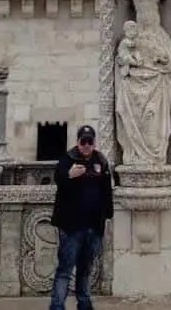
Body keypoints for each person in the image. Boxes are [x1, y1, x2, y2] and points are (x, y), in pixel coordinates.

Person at [49, 125, 113, 310]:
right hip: (71, 227)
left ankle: (84, 304)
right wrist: (69, 176)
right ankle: (57, 306)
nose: (86, 145)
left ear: (94, 143)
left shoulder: (100, 161)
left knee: (85, 270)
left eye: (89, 142)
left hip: (93, 227)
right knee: (65, 270)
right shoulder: (68, 160)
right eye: (83, 141)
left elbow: (106, 192)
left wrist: (106, 218)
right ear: (77, 142)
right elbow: (58, 179)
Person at [115, 0, 171, 165]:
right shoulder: (130, 38)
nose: (146, 16)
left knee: (152, 122)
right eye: (142, 12)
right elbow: (121, 58)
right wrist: (128, 62)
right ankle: (133, 154)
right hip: (132, 85)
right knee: (131, 119)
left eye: (150, 11)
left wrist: (162, 58)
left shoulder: (162, 36)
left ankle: (154, 157)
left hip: (157, 85)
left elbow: (170, 64)